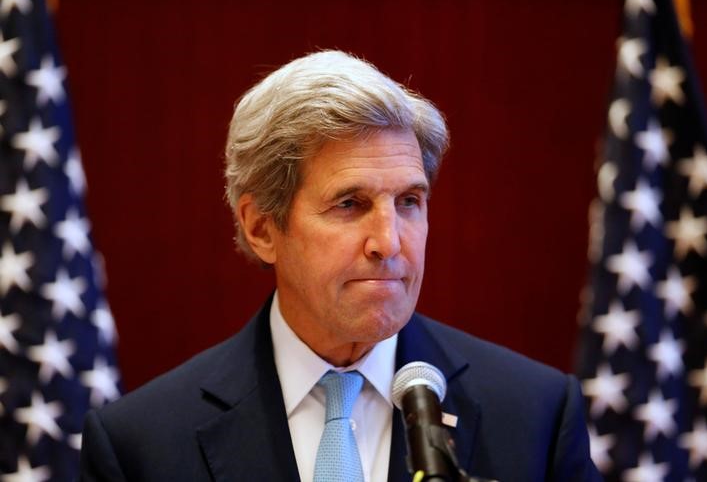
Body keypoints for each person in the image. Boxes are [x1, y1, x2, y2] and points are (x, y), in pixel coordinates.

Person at [80, 50, 600, 481]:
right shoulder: (142, 445)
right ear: (262, 228)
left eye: (409, 202)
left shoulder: (535, 416)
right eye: (350, 204)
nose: (389, 242)